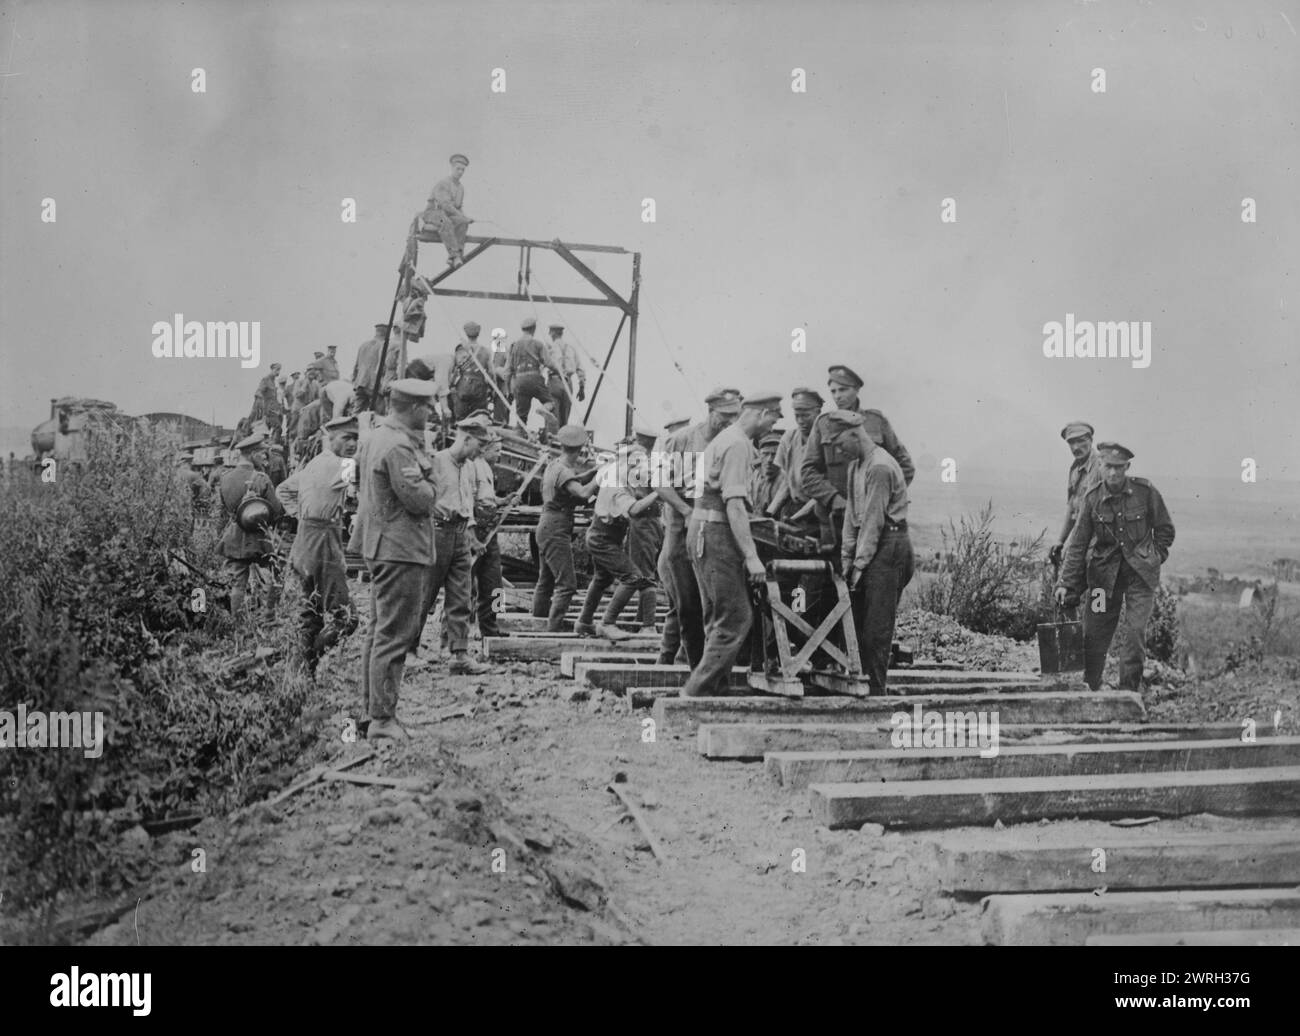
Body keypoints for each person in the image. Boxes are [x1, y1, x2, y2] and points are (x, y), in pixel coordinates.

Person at [348, 378, 440, 741]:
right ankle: (383, 720)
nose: (432, 413)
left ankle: (373, 712)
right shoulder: (399, 446)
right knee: (395, 634)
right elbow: (421, 499)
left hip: (381, 544)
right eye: (428, 407)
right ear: (414, 408)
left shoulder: (374, 437)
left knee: (378, 630)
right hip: (400, 548)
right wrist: (434, 478)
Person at [680, 392, 784, 698]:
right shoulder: (737, 444)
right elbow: (734, 504)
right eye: (773, 419)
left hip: (703, 530)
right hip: (716, 533)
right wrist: (752, 557)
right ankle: (697, 691)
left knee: (717, 616)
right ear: (763, 413)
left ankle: (716, 688)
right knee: (737, 616)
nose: (771, 427)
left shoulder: (725, 439)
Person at [1055, 443, 1175, 691]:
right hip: (1103, 580)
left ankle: (1129, 692)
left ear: (1127, 467)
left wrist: (1153, 557)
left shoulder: (1146, 492)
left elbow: (1165, 530)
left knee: (1135, 633)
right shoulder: (1092, 498)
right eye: (1108, 467)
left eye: (1119, 468)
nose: (1113, 474)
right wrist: (1066, 583)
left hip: (1139, 579)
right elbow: (1078, 544)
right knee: (1095, 633)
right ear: (1101, 465)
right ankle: (1091, 687)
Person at [653, 388, 741, 670]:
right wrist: (686, 510)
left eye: (734, 417)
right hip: (681, 532)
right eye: (724, 416)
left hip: (717, 534)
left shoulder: (735, 442)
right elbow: (660, 484)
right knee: (686, 604)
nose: (729, 422)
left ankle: (707, 670)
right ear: (711, 411)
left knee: (716, 605)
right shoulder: (682, 440)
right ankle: (689, 667)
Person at [831, 410, 913, 695]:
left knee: (876, 629)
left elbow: (872, 522)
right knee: (859, 621)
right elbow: (852, 520)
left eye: (840, 444)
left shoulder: (879, 467)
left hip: (889, 546)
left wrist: (859, 566)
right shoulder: (856, 467)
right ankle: (862, 686)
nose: (839, 451)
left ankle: (876, 693)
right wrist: (846, 560)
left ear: (855, 434)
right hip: (874, 544)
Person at [276, 415, 360, 678]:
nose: (353, 443)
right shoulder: (343, 465)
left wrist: (302, 514)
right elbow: (363, 473)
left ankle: (298, 675)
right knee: (346, 618)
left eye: (356, 438)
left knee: (308, 614)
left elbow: (284, 490)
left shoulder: (313, 465)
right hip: (324, 540)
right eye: (347, 437)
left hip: (305, 539)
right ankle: (310, 660)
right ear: (330, 438)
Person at [413, 414, 494, 675]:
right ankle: (408, 650)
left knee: (461, 597)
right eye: (480, 445)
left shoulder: (469, 467)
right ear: (466, 438)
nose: (482, 451)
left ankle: (459, 654)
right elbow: (417, 496)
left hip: (460, 535)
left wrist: (470, 534)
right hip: (436, 534)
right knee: (424, 594)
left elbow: (466, 503)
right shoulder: (435, 462)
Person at [575, 443, 660, 640]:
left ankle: (584, 622)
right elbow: (634, 510)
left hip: (601, 535)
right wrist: (659, 492)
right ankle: (607, 623)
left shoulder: (615, 471)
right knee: (632, 577)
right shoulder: (618, 487)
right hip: (602, 540)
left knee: (602, 579)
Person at [533, 424, 603, 630]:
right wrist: (600, 477)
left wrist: (593, 471)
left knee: (545, 581)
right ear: (581, 448)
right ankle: (553, 631)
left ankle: (538, 624)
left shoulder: (555, 465)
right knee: (567, 584)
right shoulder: (563, 470)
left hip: (548, 525)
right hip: (556, 528)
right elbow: (582, 493)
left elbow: (573, 480)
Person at [217, 432, 285, 620]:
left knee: (237, 583)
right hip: (259, 537)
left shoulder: (225, 477)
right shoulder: (261, 478)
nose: (265, 457)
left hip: (235, 536)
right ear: (253, 454)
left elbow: (223, 510)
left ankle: (236, 622)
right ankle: (269, 616)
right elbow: (277, 510)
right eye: (262, 453)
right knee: (275, 571)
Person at [470, 432, 514, 641]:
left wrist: (503, 501)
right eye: (496, 450)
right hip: (476, 529)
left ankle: (491, 626)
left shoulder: (488, 468)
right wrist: (472, 538)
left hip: (490, 529)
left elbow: (486, 497)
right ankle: (454, 634)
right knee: (465, 584)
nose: (499, 454)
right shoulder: (471, 466)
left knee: (495, 583)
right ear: (485, 449)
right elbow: (469, 500)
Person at [1049, 421, 1104, 568]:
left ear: (1091, 440)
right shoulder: (1076, 469)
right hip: (1083, 538)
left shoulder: (1101, 466)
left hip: (1100, 542)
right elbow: (1072, 508)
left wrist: (1072, 547)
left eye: (1081, 441)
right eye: (1071, 442)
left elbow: (1091, 514)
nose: (1076, 447)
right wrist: (1061, 540)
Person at [767, 386, 823, 522]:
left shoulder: (825, 442)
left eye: (806, 416)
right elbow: (787, 480)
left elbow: (825, 491)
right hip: (792, 507)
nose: (801, 421)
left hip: (817, 511)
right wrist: (770, 511)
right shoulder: (789, 437)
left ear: (818, 412)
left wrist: (796, 518)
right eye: (797, 416)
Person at [507, 317, 561, 424]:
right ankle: (544, 408)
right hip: (534, 379)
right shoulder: (538, 344)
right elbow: (549, 363)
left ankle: (521, 433)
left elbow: (508, 370)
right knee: (549, 402)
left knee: (521, 416)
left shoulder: (514, 346)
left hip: (520, 381)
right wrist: (559, 372)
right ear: (534, 329)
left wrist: (509, 390)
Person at [424, 153, 472, 268]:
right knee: (446, 221)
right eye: (458, 169)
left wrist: (466, 218)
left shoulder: (461, 188)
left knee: (463, 222)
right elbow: (446, 206)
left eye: (463, 170)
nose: (460, 172)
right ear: (452, 168)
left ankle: (458, 254)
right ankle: (454, 256)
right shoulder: (443, 183)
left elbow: (458, 208)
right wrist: (461, 215)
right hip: (433, 213)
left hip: (447, 215)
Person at [449, 322, 494, 421]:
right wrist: (492, 389)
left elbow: (455, 370)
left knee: (461, 419)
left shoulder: (460, 349)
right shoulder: (486, 351)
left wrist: (451, 385)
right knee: (480, 420)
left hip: (463, 387)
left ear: (466, 333)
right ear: (478, 334)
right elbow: (491, 373)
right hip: (480, 389)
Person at [546, 324, 586, 426]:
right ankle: (563, 439)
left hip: (554, 382)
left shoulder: (550, 348)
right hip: (568, 383)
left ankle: (553, 438)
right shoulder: (571, 348)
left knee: (552, 417)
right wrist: (582, 388)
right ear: (561, 334)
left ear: (552, 334)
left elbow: (541, 365)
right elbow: (580, 369)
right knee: (565, 417)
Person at [353, 323, 395, 413]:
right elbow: (385, 367)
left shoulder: (363, 345)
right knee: (378, 415)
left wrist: (355, 381)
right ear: (387, 333)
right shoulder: (385, 345)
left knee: (357, 414)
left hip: (360, 383)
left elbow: (356, 366)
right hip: (374, 385)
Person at [750, 432, 783, 517]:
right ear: (760, 455)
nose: (769, 459)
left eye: (774, 455)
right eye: (765, 454)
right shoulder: (754, 475)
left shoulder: (785, 480)